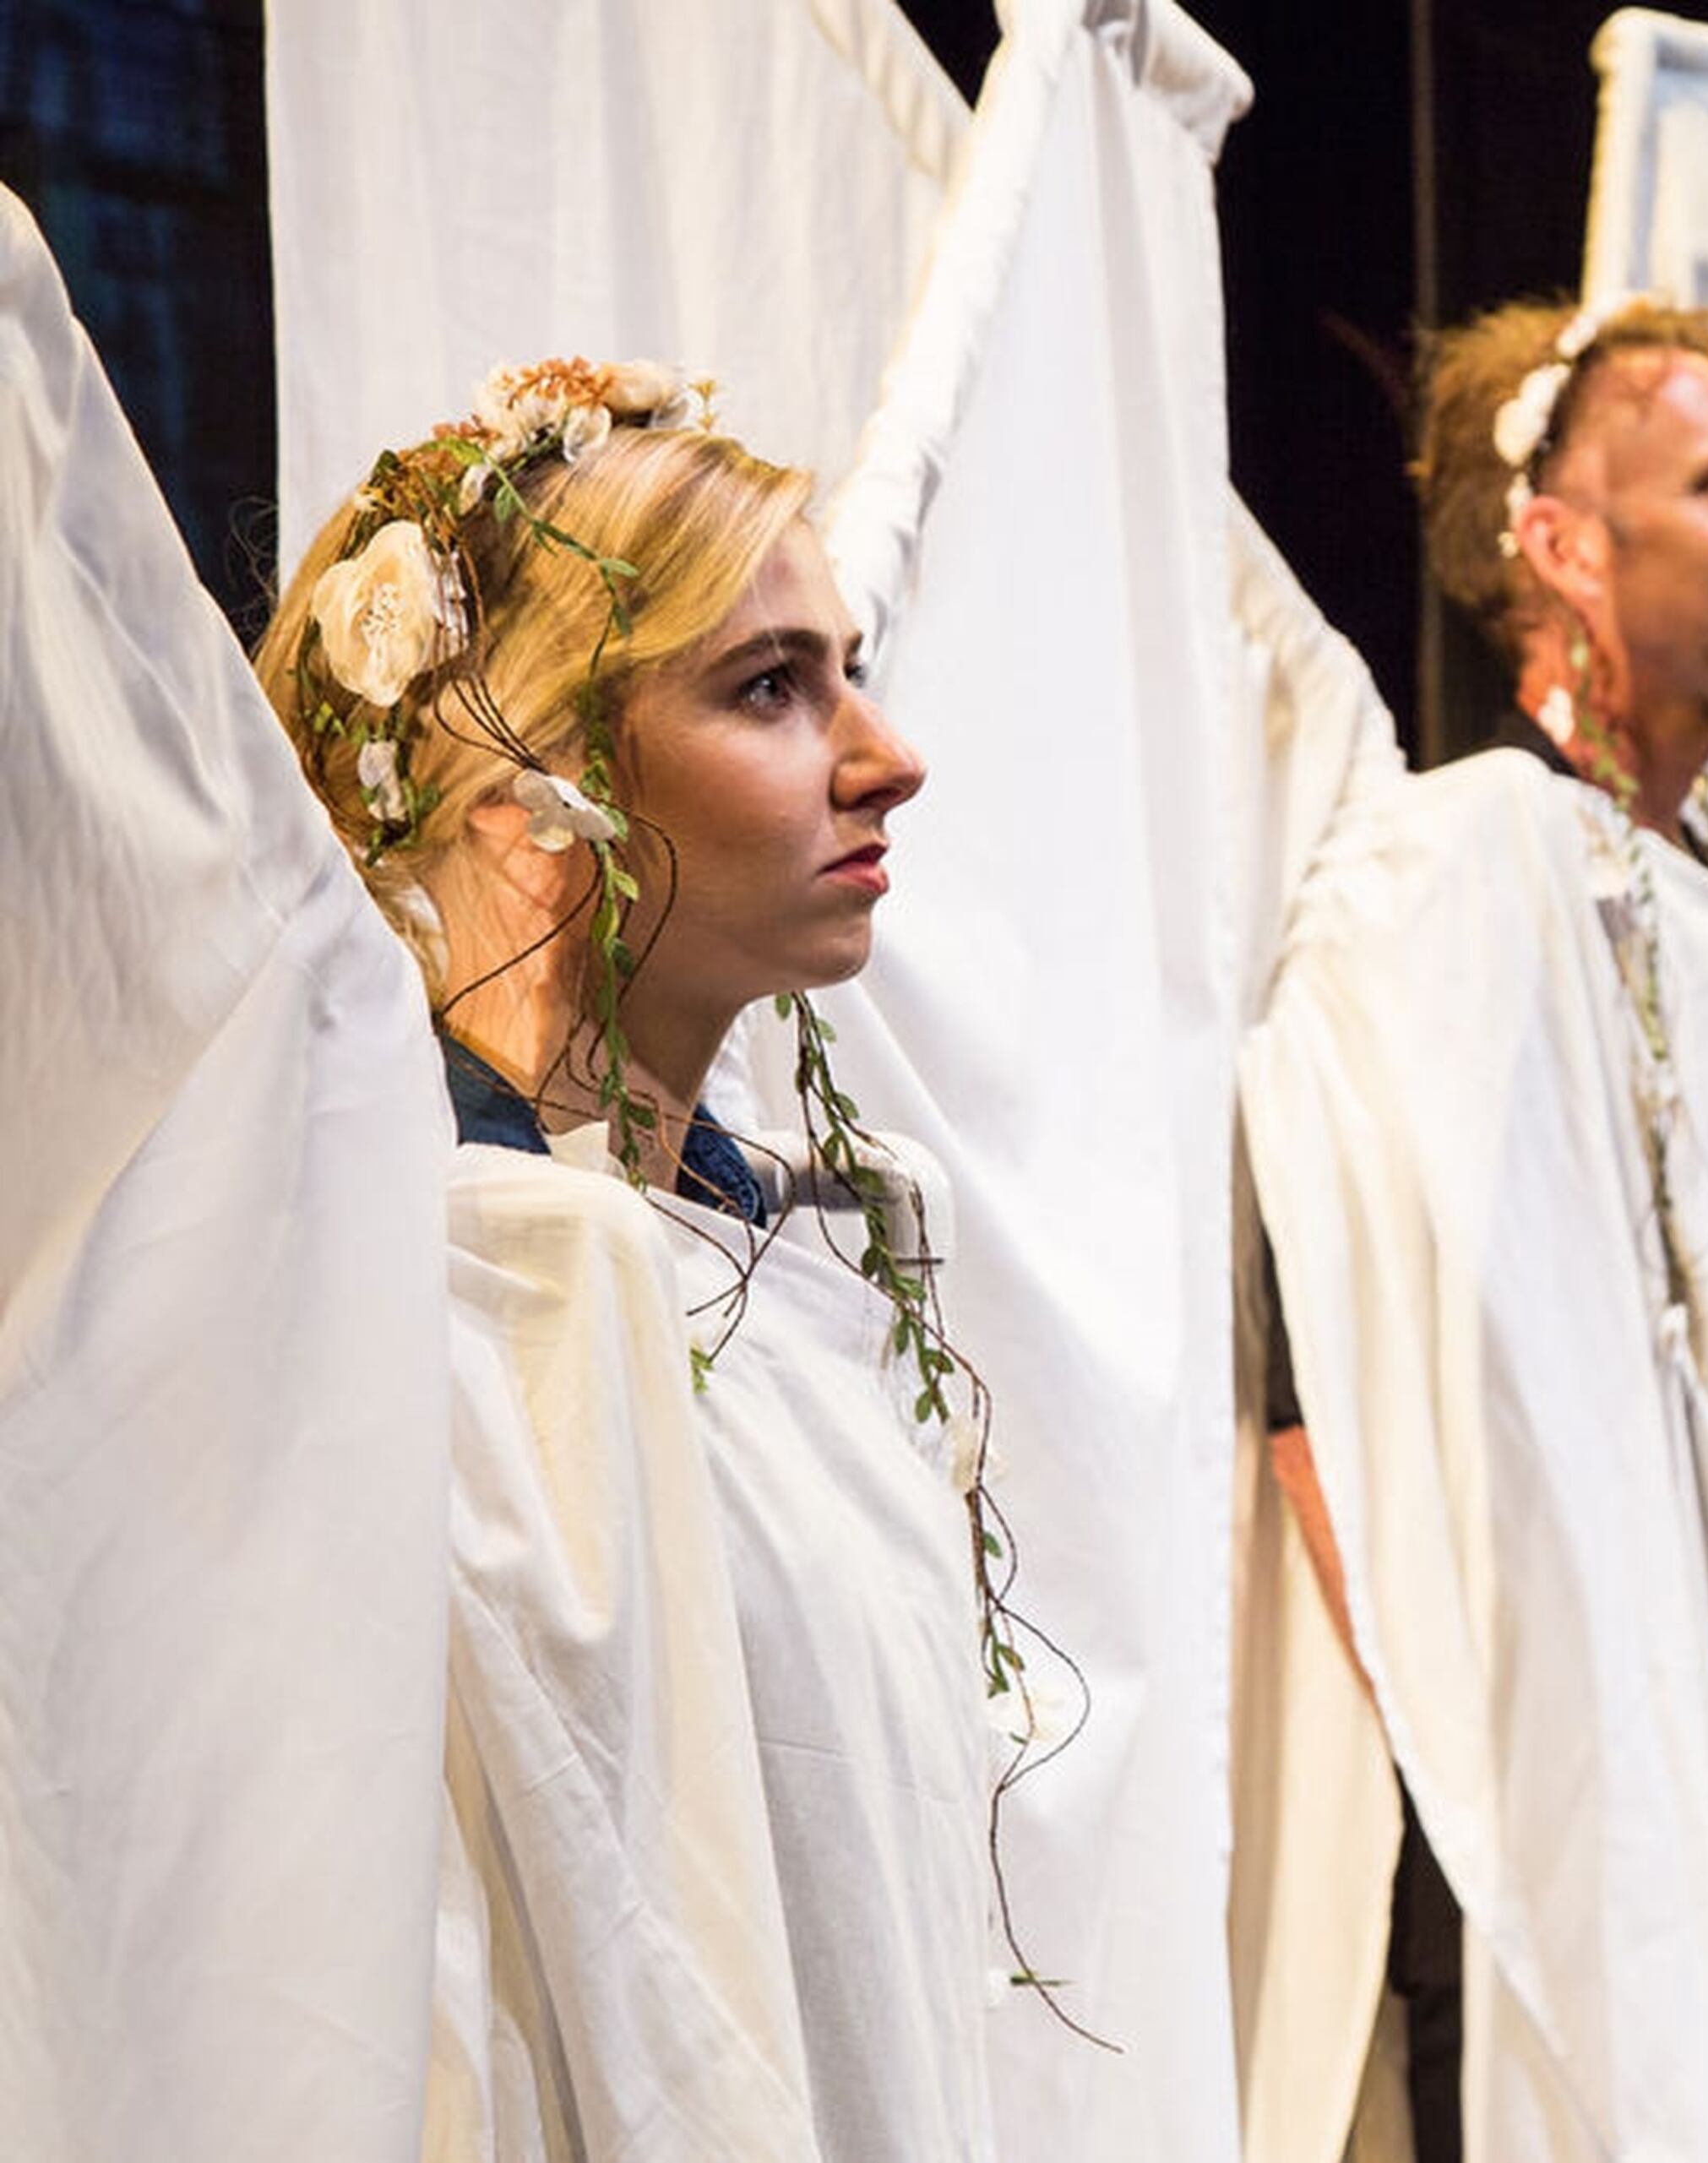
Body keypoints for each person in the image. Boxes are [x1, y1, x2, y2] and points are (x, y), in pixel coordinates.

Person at [258, 361, 1013, 2158]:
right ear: (526, 790)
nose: (885, 757)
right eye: (772, 687)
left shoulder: (803, 1266)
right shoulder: (420, 1298)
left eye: (850, 669)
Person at [1237, 295, 1708, 2160]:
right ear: (1562, 542)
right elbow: (1323, 1359)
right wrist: (1499, 1798)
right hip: (1567, 1813)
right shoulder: (1468, 862)